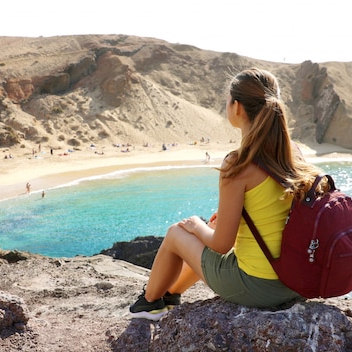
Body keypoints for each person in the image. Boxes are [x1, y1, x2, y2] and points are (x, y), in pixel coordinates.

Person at [129, 68, 324, 320]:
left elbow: (222, 245)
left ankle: (150, 303)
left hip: (257, 287)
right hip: (294, 281)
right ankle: (171, 294)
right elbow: (274, 209)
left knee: (177, 232)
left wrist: (196, 226)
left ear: (237, 107)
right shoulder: (293, 152)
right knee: (214, 223)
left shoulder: (239, 162)